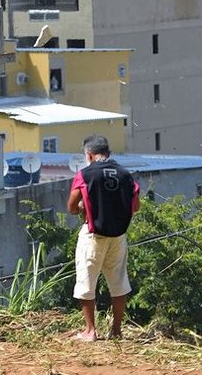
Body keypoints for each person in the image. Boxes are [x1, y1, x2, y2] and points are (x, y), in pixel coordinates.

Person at [67, 134, 139, 342]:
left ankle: (90, 331)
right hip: (118, 236)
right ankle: (116, 331)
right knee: (118, 282)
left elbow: (71, 207)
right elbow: (135, 206)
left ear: (88, 154)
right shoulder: (125, 175)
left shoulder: (85, 174)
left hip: (93, 236)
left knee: (86, 281)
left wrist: (82, 208)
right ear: (109, 153)